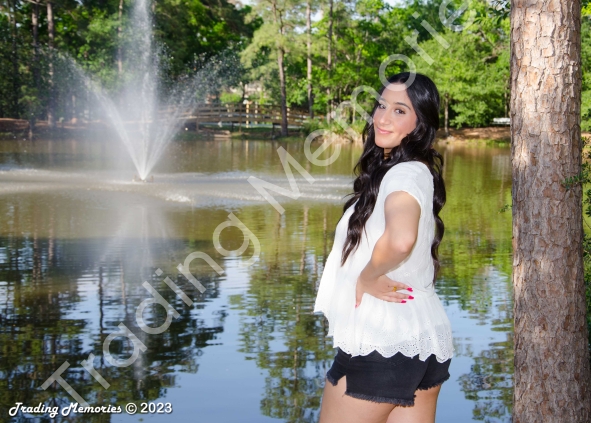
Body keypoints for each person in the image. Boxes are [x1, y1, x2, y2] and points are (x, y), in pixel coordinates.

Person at [314, 72, 454, 423]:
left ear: (421, 123)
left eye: (399, 110)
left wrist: (367, 275)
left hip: (380, 342)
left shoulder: (403, 175)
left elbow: (401, 238)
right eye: (381, 106)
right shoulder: (415, 171)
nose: (382, 117)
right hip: (423, 341)